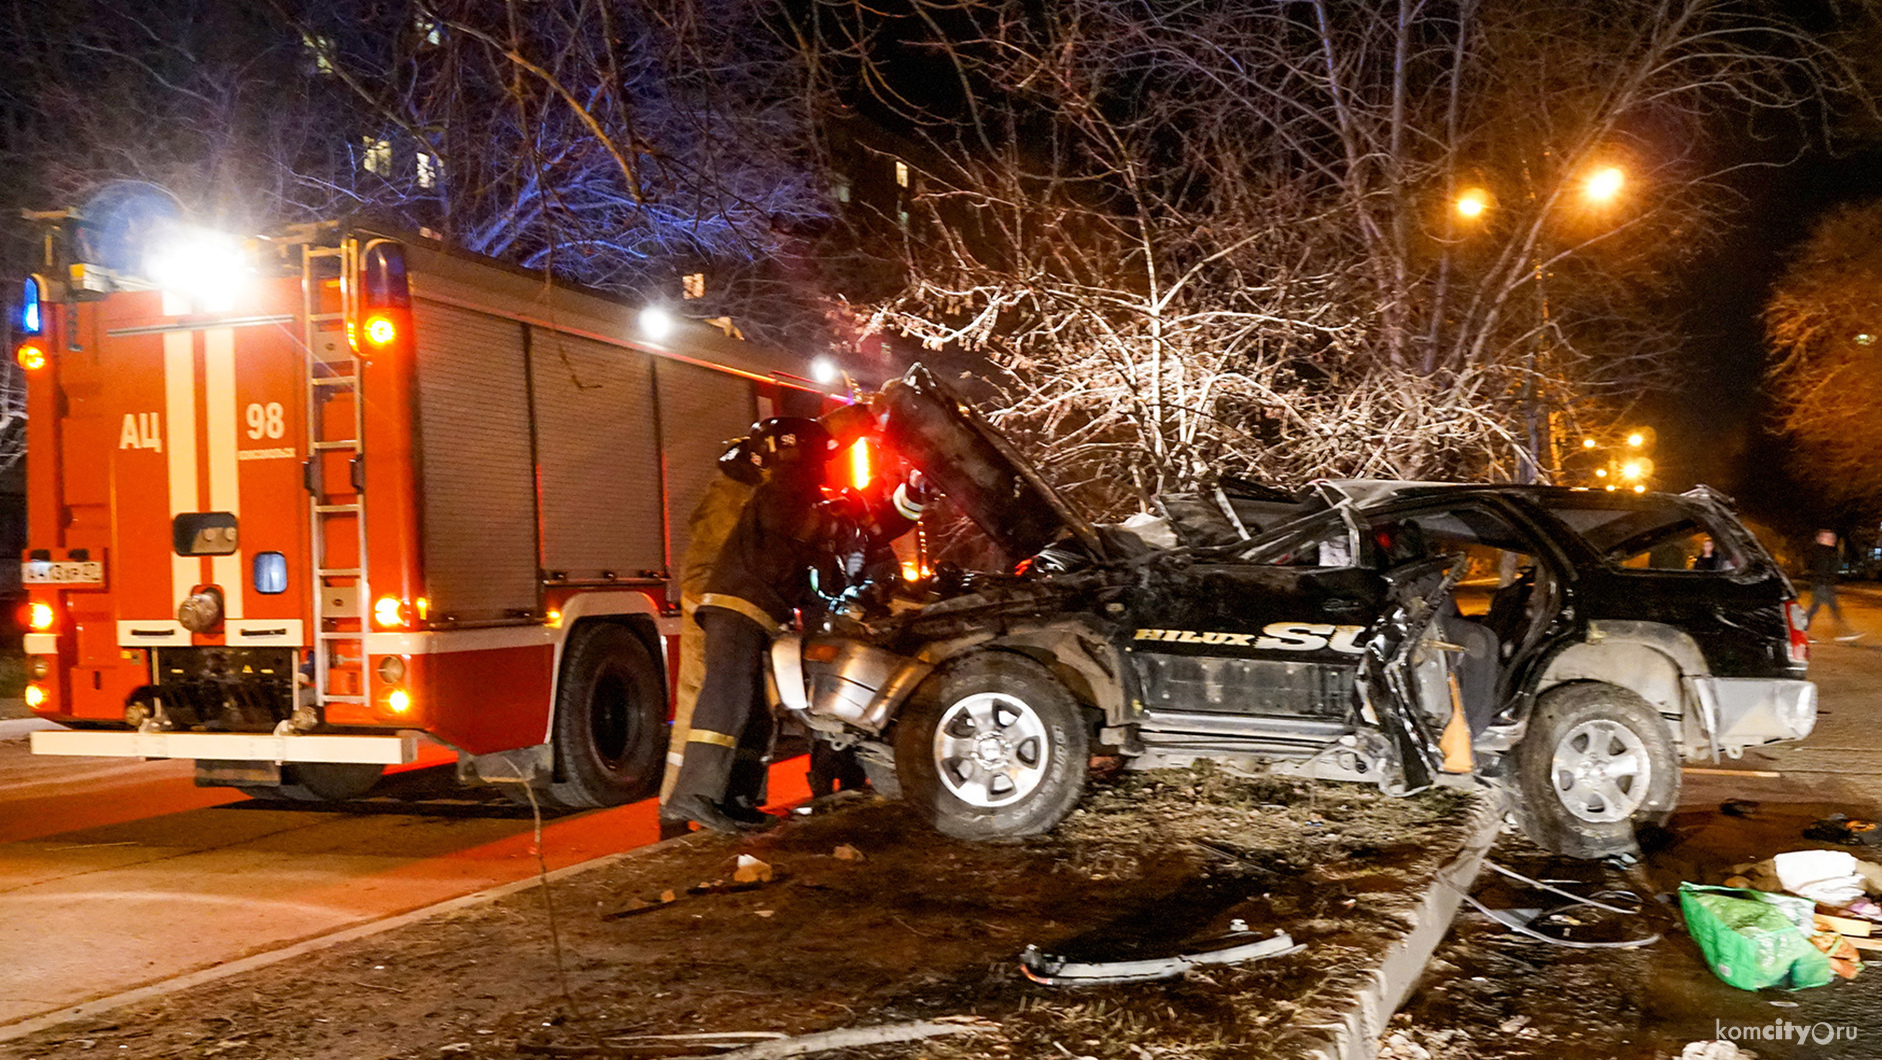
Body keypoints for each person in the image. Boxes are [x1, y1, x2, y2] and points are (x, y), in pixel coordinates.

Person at [663, 407, 877, 833]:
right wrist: (837, 522)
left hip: (752, 610)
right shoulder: (787, 488)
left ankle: (734, 798)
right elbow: (798, 527)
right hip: (737, 605)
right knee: (727, 699)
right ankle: (693, 796)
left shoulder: (789, 488)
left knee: (756, 713)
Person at [656, 435, 763, 838]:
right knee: (705, 708)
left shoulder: (729, 494)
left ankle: (696, 803)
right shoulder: (733, 501)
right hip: (712, 609)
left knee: (719, 706)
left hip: (714, 606)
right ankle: (678, 807)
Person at [1805, 529, 1863, 643]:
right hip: (1823, 584)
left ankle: (1802, 633)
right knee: (1833, 608)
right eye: (1829, 537)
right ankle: (1844, 632)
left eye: (1833, 537)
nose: (1833, 540)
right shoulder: (1822, 552)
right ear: (1821, 539)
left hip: (1821, 584)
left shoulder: (1822, 551)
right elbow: (1827, 569)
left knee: (1815, 609)